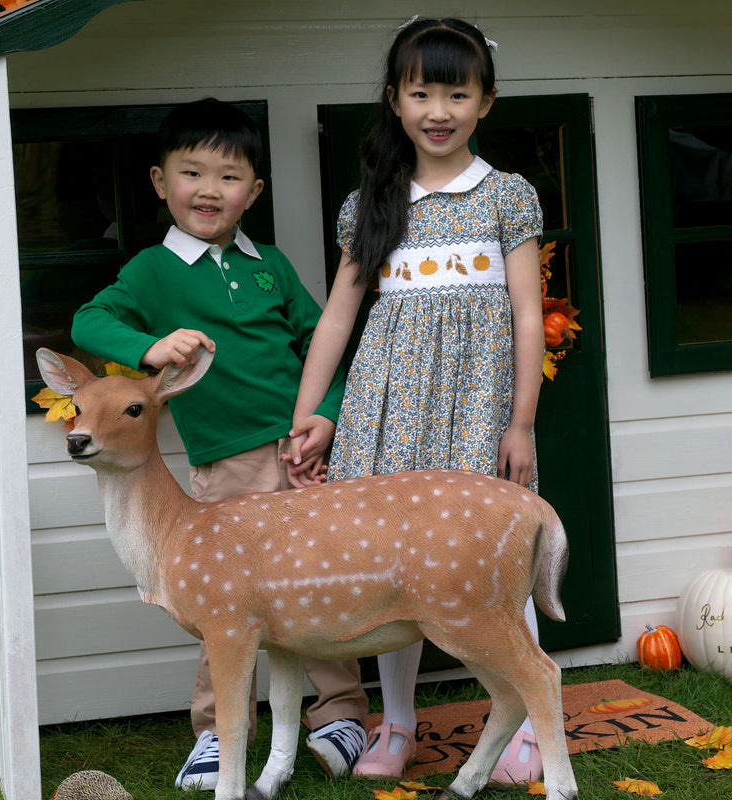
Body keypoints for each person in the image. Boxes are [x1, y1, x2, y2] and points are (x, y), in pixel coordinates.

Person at [71, 98, 368, 792]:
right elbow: (91, 320)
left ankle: (343, 715)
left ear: (254, 191)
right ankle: (217, 731)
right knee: (221, 601)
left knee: (321, 583)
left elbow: (326, 344)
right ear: (159, 180)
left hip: (303, 454)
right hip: (225, 464)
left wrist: (324, 417)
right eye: (192, 172)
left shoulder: (273, 267)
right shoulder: (152, 270)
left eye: (229, 176)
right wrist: (148, 345)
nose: (209, 190)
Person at [288, 18, 546, 785]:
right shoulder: (374, 201)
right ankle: (396, 724)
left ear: (486, 102)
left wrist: (522, 421)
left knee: (496, 562)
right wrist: (309, 411)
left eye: (457, 93)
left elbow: (530, 314)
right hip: (385, 407)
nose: (439, 109)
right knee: (395, 569)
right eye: (421, 91)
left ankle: (528, 724)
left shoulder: (506, 196)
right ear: (396, 101)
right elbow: (339, 316)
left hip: (479, 411)